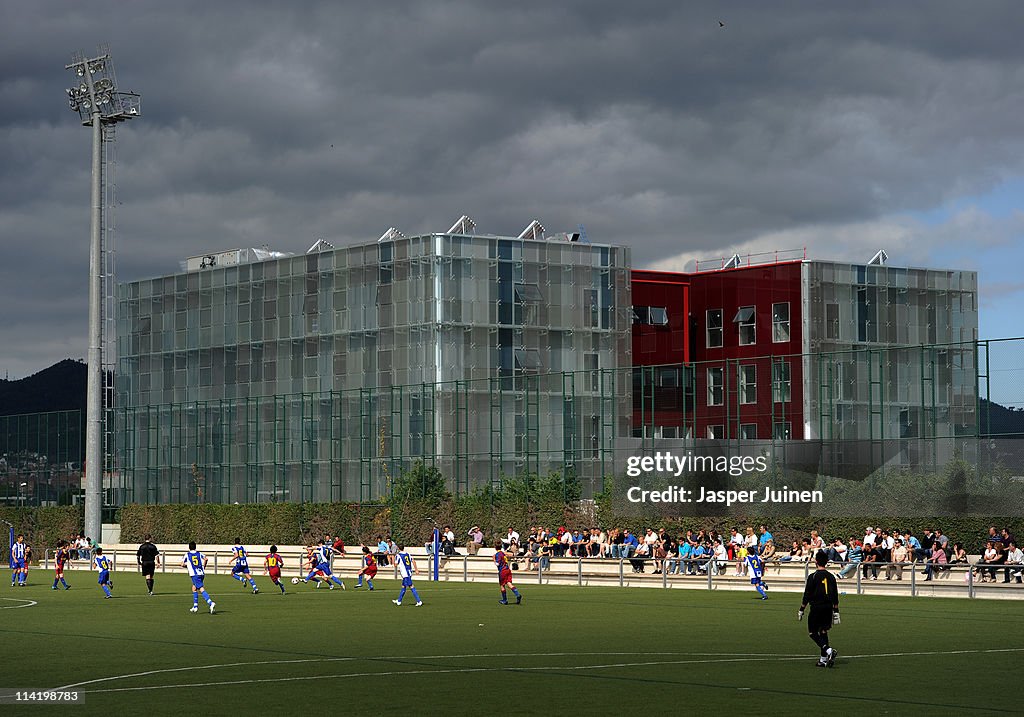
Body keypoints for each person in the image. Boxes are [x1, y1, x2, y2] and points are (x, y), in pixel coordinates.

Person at [799, 550, 839, 668]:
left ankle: (828, 650)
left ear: (816, 562)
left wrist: (802, 608)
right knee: (823, 631)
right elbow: (835, 595)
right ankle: (823, 660)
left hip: (816, 607)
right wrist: (836, 611)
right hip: (828, 607)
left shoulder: (813, 576)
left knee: (812, 632)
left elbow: (807, 594)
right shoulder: (831, 576)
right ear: (826, 562)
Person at [181, 541, 216, 614]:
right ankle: (195, 606)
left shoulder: (187, 554)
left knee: (201, 588)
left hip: (195, 574)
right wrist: (204, 567)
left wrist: (187, 566)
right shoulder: (199, 553)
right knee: (194, 588)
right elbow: (206, 559)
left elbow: (181, 564)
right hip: (201, 573)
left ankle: (210, 603)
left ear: (189, 547)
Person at [493, 540, 523, 605]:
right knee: (509, 583)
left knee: (502, 585)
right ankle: (517, 594)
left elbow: (497, 564)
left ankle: (505, 600)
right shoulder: (503, 553)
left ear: (495, 547)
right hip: (507, 569)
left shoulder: (497, 554)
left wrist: (494, 559)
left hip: (502, 571)